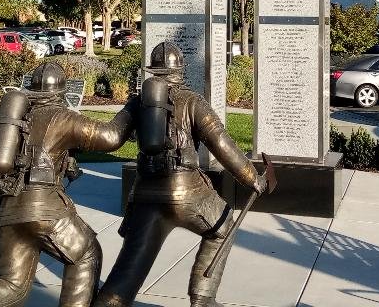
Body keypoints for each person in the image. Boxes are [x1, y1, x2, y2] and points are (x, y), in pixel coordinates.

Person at [0, 61, 137, 307]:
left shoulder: (17, 119)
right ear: (61, 92)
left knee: (11, 285)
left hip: (8, 209)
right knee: (85, 254)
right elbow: (110, 137)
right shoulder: (62, 117)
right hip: (45, 209)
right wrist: (131, 108)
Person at [92, 42, 267, 307]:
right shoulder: (193, 101)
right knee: (222, 226)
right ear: (180, 70)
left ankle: (109, 301)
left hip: (145, 194)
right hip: (188, 193)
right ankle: (203, 299)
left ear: (152, 71)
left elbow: (111, 137)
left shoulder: (138, 103)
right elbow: (221, 144)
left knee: (127, 273)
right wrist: (253, 178)